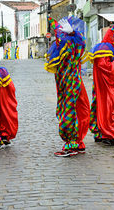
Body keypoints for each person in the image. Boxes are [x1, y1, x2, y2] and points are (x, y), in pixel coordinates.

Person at [45, 16, 90, 157]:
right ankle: (76, 142)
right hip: (64, 85)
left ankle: (72, 143)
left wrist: (73, 34)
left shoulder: (73, 46)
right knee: (71, 110)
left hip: (72, 84)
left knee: (71, 112)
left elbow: (81, 45)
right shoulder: (58, 48)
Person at [88, 21, 114, 146]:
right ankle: (109, 135)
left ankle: (100, 133)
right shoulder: (106, 50)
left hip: (100, 88)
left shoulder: (100, 48)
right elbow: (106, 67)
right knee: (110, 109)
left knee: (99, 108)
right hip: (107, 88)